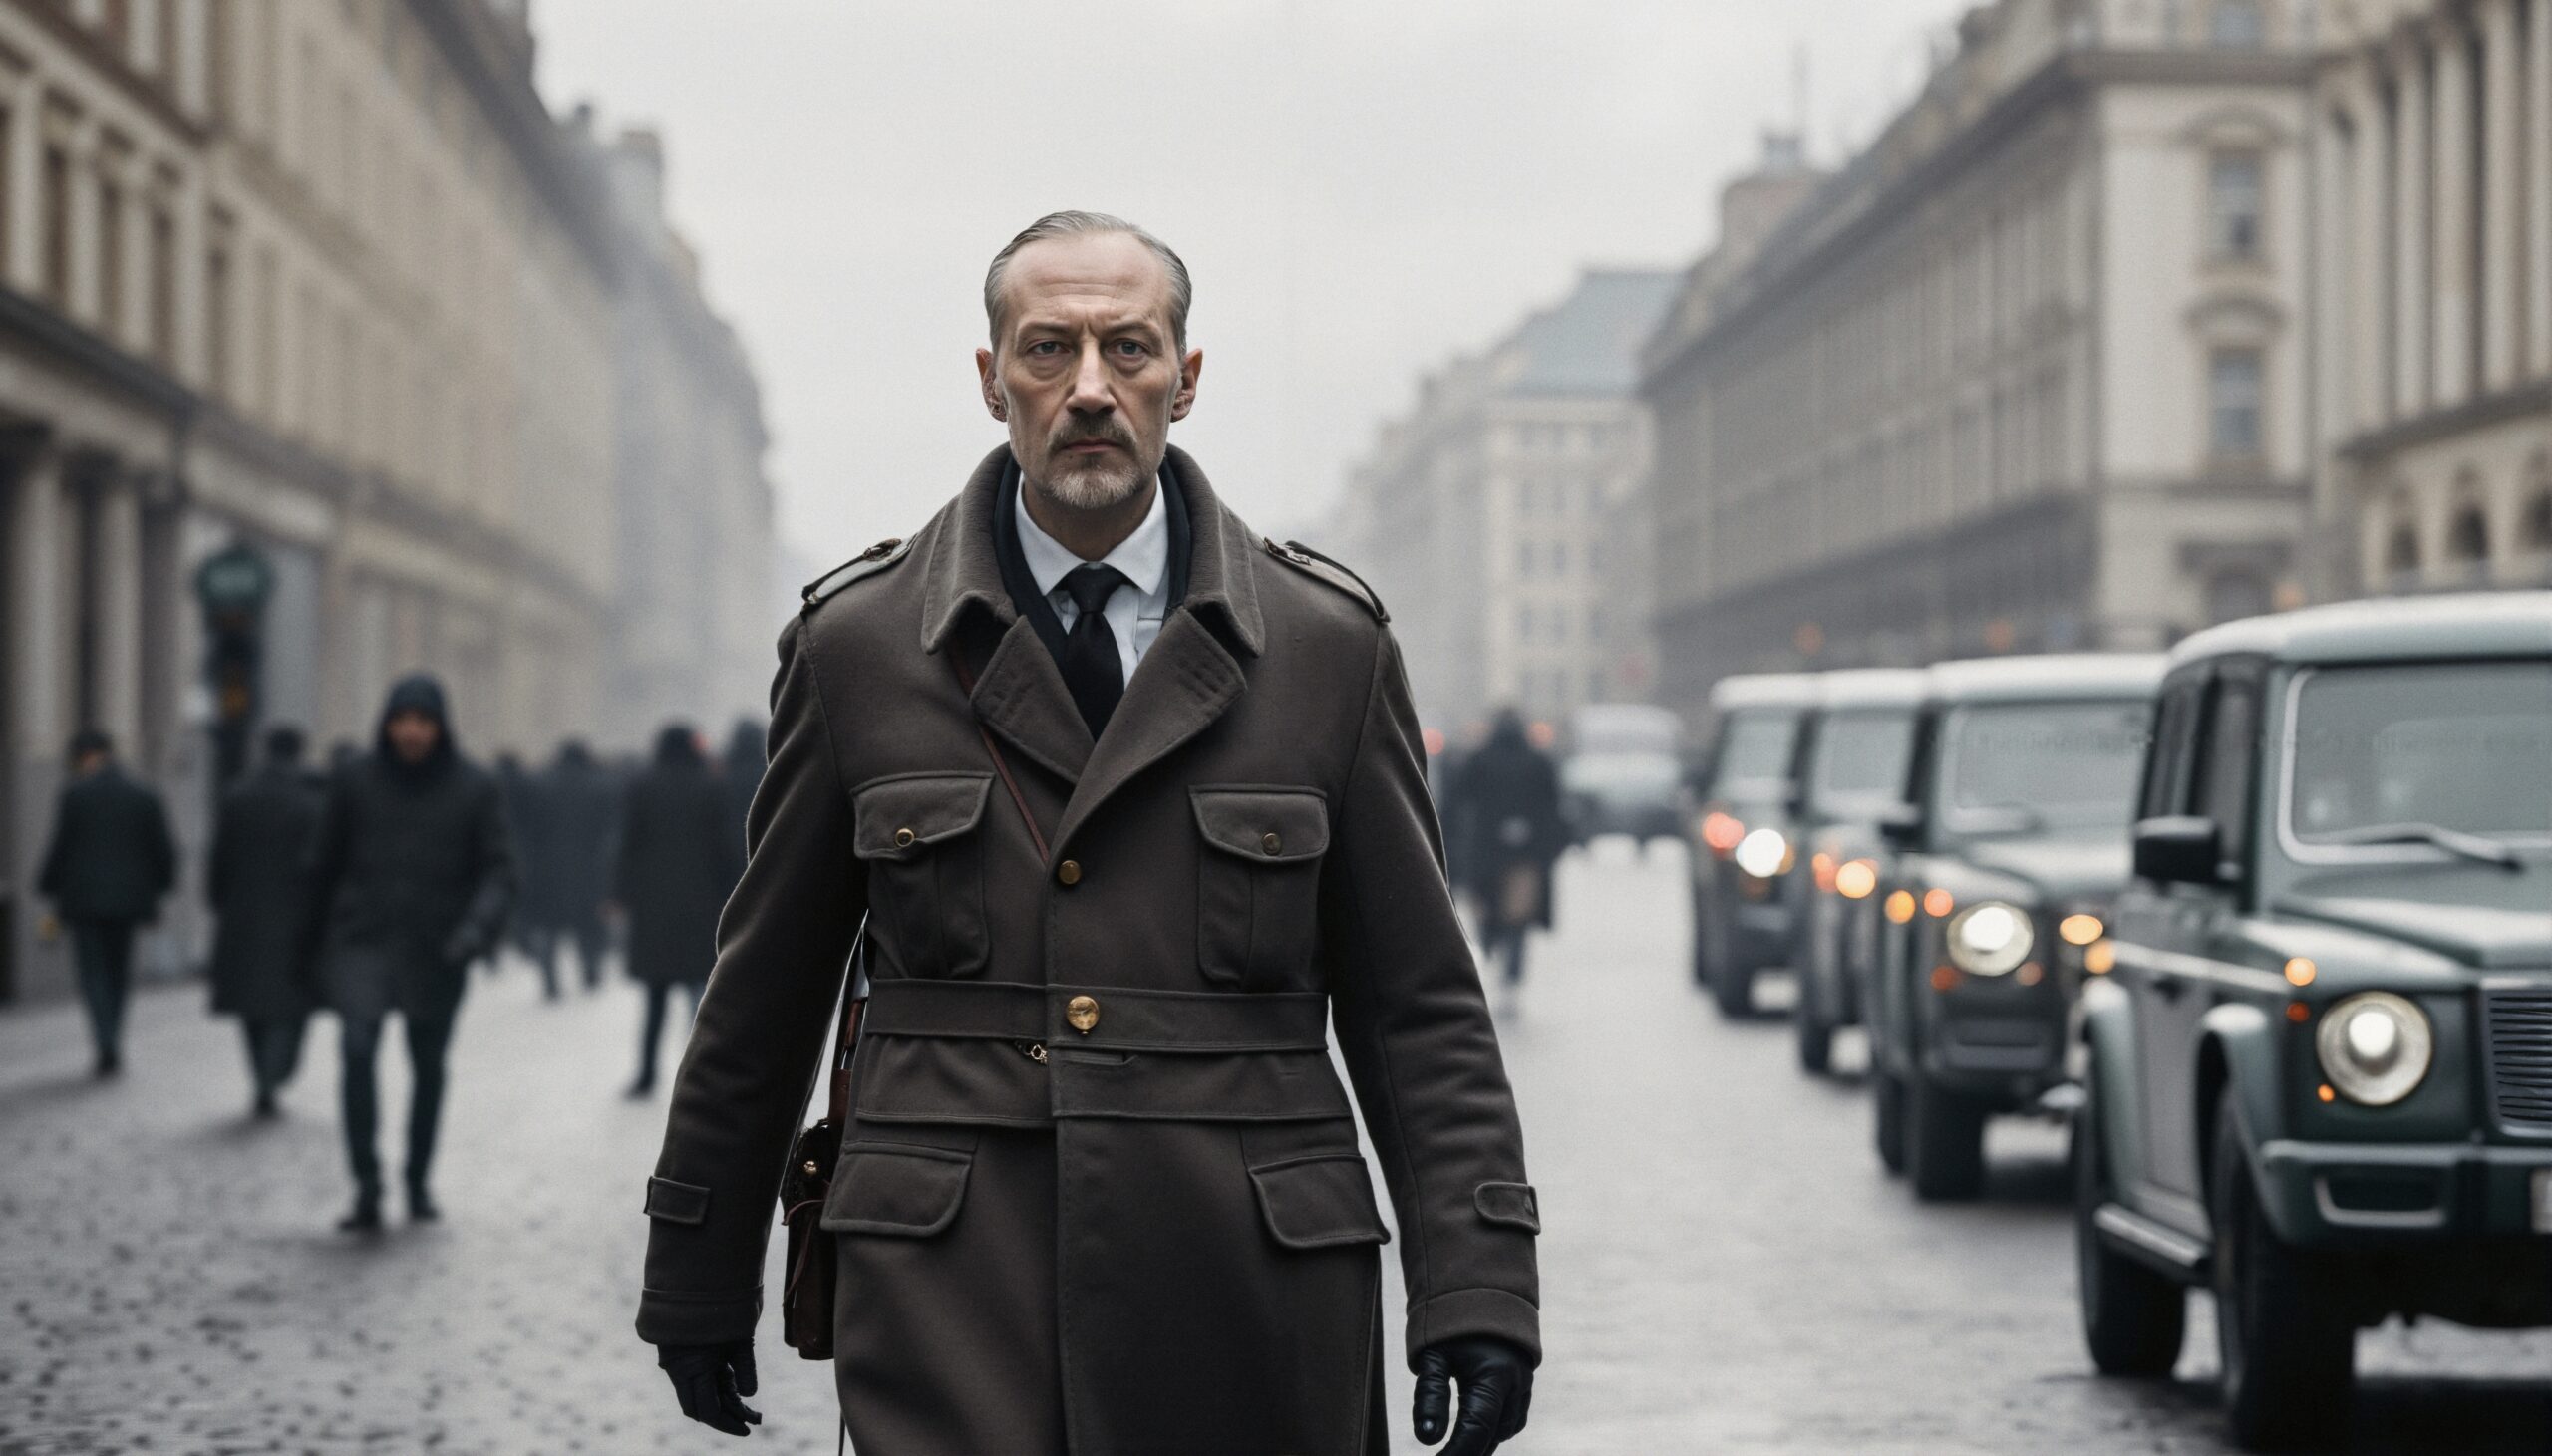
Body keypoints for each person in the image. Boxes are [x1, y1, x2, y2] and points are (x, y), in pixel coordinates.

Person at [638, 213, 1538, 1456]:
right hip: (952, 1297)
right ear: (989, 377)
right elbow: (765, 995)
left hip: (1252, 1299)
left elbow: (1416, 1004)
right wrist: (697, 1263)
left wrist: (1477, 1280)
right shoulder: (861, 648)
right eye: (1048, 349)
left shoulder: (1327, 649)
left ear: (1188, 375)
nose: (1091, 390)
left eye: (1130, 348)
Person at [306, 675, 515, 1231]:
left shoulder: (475, 786)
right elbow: (322, 863)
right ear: (387, 723)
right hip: (363, 941)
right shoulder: (353, 781)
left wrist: (474, 931)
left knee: (428, 1067)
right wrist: (309, 944)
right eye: (403, 720)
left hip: (439, 947)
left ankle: (417, 1180)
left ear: (440, 726)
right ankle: (367, 1185)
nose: (412, 732)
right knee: (356, 1051)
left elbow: (499, 868)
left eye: (423, 722)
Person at [37, 728, 176, 1078]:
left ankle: (104, 1039)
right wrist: (159, 890)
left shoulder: (75, 795)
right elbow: (163, 851)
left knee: (93, 973)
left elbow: (61, 847)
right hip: (128, 902)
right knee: (117, 971)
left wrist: (47, 884)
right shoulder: (142, 795)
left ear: (86, 757)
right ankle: (112, 1035)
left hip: (84, 900)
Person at [614, 725, 741, 1097]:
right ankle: (700, 1072)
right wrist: (735, 892)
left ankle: (647, 1073)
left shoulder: (642, 784)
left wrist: (621, 892)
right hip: (700, 905)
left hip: (653, 906)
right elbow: (726, 847)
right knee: (700, 996)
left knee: (654, 998)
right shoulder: (711, 786)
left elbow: (628, 843)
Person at [206, 725, 326, 1117]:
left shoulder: (238, 796)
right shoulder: (312, 801)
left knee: (251, 1006)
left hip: (245, 913)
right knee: (291, 1006)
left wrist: (219, 899)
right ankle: (273, 1075)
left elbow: (219, 856)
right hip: (298, 915)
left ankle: (263, 1074)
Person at [1445, 710, 1568, 986]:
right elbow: (1554, 806)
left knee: (1488, 905)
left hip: (1487, 849)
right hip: (1527, 851)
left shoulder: (1480, 759)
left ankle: (1492, 944)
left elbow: (1457, 799)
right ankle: (1513, 962)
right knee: (1519, 913)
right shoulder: (1537, 761)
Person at [540, 740, 618, 996]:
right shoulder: (600, 785)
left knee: (551, 926)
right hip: (590, 866)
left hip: (552, 866)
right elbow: (609, 831)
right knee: (589, 922)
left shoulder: (544, 785)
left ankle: (550, 978)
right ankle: (590, 968)